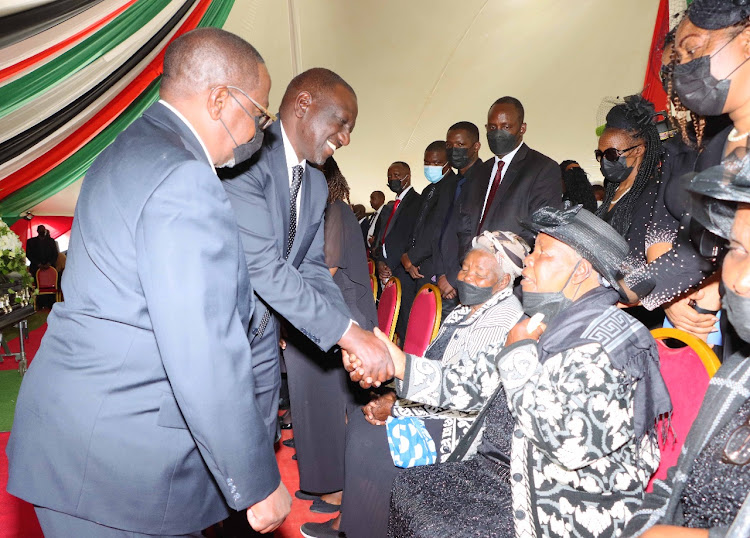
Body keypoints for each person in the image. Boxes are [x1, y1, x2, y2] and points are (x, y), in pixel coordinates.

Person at [6, 28, 291, 537]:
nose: (259, 132)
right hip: (119, 461)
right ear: (221, 99)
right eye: (261, 113)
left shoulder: (127, 149)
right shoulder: (184, 176)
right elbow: (200, 346)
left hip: (81, 438)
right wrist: (255, 480)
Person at [384, 205, 671, 538]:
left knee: (438, 522)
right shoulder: (546, 322)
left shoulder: (612, 339)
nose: (529, 261)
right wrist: (397, 364)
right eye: (532, 251)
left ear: (580, 271)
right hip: (506, 473)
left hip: (562, 502)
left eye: (543, 254)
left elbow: (565, 442)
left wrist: (518, 355)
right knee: (412, 485)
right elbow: (472, 380)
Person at [302, 231, 527, 538]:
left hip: (466, 427)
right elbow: (435, 367)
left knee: (373, 440)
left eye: (479, 273)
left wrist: (400, 407)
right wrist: (396, 394)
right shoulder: (465, 310)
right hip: (439, 403)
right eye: (465, 268)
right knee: (361, 414)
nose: (466, 277)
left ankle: (362, 528)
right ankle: (355, 515)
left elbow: (467, 396)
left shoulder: (502, 320)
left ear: (503, 282)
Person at [221, 67, 394, 446]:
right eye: (343, 123)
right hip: (221, 342)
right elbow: (264, 267)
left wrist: (350, 334)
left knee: (260, 450)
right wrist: (352, 337)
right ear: (304, 104)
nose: (346, 139)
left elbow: (313, 268)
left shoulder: (315, 184)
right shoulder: (245, 157)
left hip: (265, 344)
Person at [622, 89, 750, 538]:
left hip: (726, 304)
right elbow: (663, 224)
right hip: (676, 298)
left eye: (695, 56)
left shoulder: (732, 139)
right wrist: (670, 294)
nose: (678, 90)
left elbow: (733, 232)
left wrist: (712, 286)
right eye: (670, 75)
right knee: (671, 430)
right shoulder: (676, 150)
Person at [283, 157, 377, 519]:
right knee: (311, 394)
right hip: (323, 312)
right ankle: (324, 479)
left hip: (342, 316)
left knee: (332, 403)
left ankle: (339, 489)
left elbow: (327, 270)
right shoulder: (319, 215)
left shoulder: (337, 211)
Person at [458, 96, 562, 252]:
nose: (498, 133)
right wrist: (469, 256)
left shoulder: (542, 168)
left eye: (506, 127)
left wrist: (501, 261)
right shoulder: (479, 172)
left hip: (513, 269)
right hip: (474, 268)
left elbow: (540, 228)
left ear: (522, 128)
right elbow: (465, 222)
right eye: (492, 128)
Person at [434, 121, 484, 318]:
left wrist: (455, 277)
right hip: (443, 278)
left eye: (460, 145)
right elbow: (439, 230)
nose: (454, 150)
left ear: (476, 146)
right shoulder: (449, 184)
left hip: (466, 279)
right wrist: (440, 273)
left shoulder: (486, 179)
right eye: (449, 146)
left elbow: (477, 234)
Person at [398, 141, 451, 328]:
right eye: (426, 162)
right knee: (416, 320)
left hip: (433, 265)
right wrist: (408, 256)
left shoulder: (452, 186)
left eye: (436, 163)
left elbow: (436, 229)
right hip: (418, 266)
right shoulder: (429, 189)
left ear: (448, 163)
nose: (430, 167)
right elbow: (418, 227)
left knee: (427, 325)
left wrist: (411, 258)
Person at [372, 161, 422, 338]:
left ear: (407, 176)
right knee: (388, 316)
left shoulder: (417, 201)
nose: (392, 179)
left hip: (402, 270)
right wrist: (380, 262)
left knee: (404, 319)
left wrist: (393, 264)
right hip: (385, 268)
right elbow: (381, 237)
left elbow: (412, 236)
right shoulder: (390, 206)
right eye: (389, 176)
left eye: (396, 175)